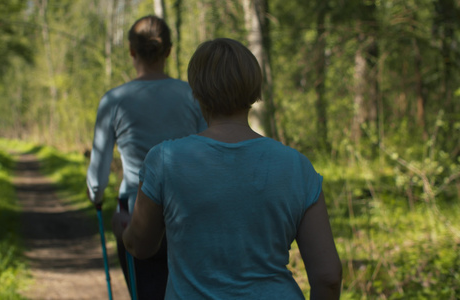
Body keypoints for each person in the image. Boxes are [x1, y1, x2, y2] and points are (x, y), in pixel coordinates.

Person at [119, 38, 342, 299]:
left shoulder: (165, 160)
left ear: (197, 92)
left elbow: (140, 246)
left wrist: (123, 229)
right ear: (254, 89)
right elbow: (328, 276)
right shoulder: (297, 166)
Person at [86, 15, 206, 299]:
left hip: (135, 214)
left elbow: (97, 174)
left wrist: (97, 196)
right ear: (168, 51)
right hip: (189, 213)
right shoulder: (193, 96)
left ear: (131, 51)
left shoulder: (114, 101)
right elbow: (207, 153)